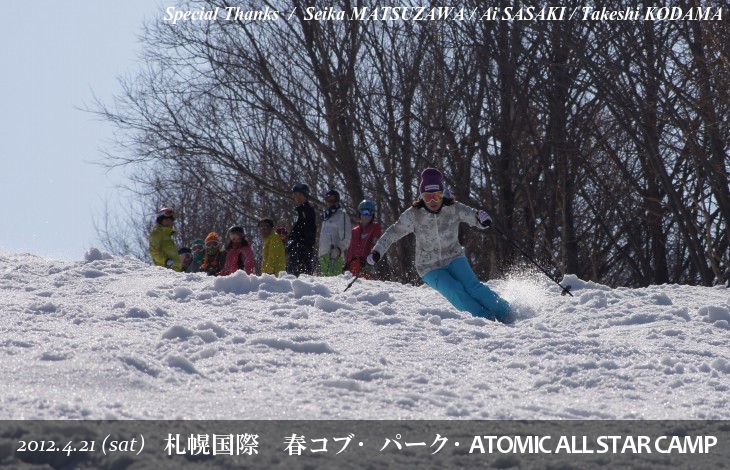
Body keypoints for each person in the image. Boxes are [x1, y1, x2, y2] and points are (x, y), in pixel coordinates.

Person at [367, 168, 513, 323]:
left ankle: (507, 313)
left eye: (437, 196)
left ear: (443, 194)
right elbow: (393, 233)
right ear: (421, 197)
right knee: (454, 291)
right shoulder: (414, 215)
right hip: (428, 266)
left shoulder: (453, 208)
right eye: (427, 197)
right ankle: (485, 320)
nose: (433, 202)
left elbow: (473, 217)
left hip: (454, 257)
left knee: (473, 287)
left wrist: (482, 219)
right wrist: (377, 252)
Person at [345, 199, 382, 280]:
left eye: (369, 213)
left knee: (365, 284)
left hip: (367, 264)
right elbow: (350, 249)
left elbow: (376, 243)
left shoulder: (375, 227)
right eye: (364, 212)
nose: (366, 215)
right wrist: (347, 263)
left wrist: (369, 259)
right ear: (359, 214)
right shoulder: (355, 230)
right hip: (353, 265)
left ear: (372, 215)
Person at [318, 189, 351, 276]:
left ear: (338, 200)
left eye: (334, 199)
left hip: (335, 255)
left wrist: (339, 249)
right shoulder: (326, 218)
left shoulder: (341, 215)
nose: (331, 202)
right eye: (329, 199)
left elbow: (346, 237)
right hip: (323, 255)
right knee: (325, 282)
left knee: (334, 282)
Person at [287, 183, 317, 276]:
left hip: (304, 247)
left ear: (305, 195)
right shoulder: (299, 211)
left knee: (303, 273)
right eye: (295, 195)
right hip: (296, 246)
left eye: (300, 195)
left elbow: (309, 228)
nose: (298, 198)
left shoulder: (307, 210)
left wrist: (304, 243)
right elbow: (296, 229)